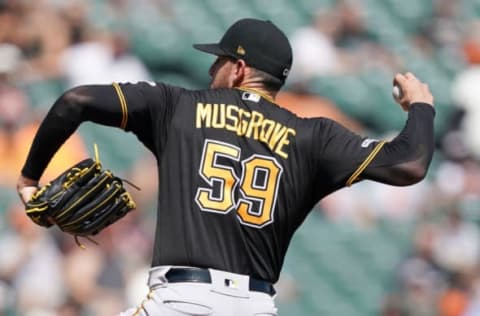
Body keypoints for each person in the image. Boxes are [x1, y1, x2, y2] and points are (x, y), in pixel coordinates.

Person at [16, 18, 435, 315]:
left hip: (180, 300)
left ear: (238, 69)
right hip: (255, 305)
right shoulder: (314, 137)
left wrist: (30, 177)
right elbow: (410, 164)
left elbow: (75, 101)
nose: (211, 68)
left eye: (218, 61)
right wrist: (420, 107)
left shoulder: (175, 106)